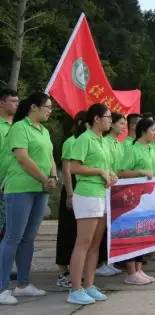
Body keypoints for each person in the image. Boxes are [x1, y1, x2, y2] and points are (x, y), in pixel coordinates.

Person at [0, 93, 56, 305]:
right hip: (20, 188)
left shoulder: (44, 130)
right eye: (47, 107)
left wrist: (52, 176)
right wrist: (44, 179)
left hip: (40, 189)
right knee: (12, 237)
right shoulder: (19, 128)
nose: (50, 110)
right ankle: (2, 287)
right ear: (34, 107)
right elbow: (22, 158)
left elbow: (50, 156)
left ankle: (23, 284)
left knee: (29, 237)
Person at [67, 103, 117, 305]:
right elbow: (74, 167)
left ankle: (89, 284)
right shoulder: (84, 138)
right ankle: (75, 289)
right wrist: (99, 172)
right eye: (108, 117)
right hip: (87, 194)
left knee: (96, 244)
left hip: (102, 194)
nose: (110, 121)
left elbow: (105, 166)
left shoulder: (103, 141)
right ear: (96, 118)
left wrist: (110, 174)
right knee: (83, 243)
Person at [118, 117, 155, 285]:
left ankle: (139, 268)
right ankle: (130, 271)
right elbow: (121, 172)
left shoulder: (150, 149)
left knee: (144, 232)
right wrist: (140, 172)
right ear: (143, 131)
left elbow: (153, 169)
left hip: (147, 198)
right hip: (133, 198)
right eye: (153, 131)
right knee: (132, 232)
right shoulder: (132, 149)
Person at [55, 111, 86, 289]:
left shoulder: (88, 141)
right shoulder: (71, 142)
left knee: (78, 233)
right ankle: (63, 271)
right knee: (67, 231)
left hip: (83, 189)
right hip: (71, 189)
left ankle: (77, 270)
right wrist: (70, 193)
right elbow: (67, 170)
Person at [94, 112, 126, 278]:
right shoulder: (104, 142)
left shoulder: (118, 143)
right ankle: (101, 262)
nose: (124, 127)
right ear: (112, 124)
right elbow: (105, 164)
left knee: (112, 226)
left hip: (116, 186)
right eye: (121, 123)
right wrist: (112, 174)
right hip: (104, 186)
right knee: (102, 227)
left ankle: (110, 261)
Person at [0, 89, 19, 241]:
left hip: (16, 184)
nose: (16, 104)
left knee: (11, 232)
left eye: (18, 101)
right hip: (2, 183)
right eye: (13, 101)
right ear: (2, 103)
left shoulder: (19, 127)